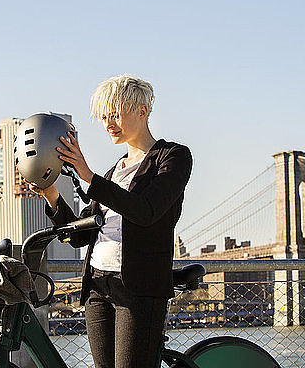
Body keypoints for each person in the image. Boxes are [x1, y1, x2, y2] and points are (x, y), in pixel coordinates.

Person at [30, 74, 193, 368]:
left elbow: (146, 211)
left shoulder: (173, 157)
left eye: (116, 114)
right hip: (97, 286)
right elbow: (80, 235)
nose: (108, 124)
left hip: (138, 288)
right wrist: (51, 194)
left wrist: (89, 177)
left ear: (142, 110)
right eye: (104, 117)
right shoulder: (113, 172)